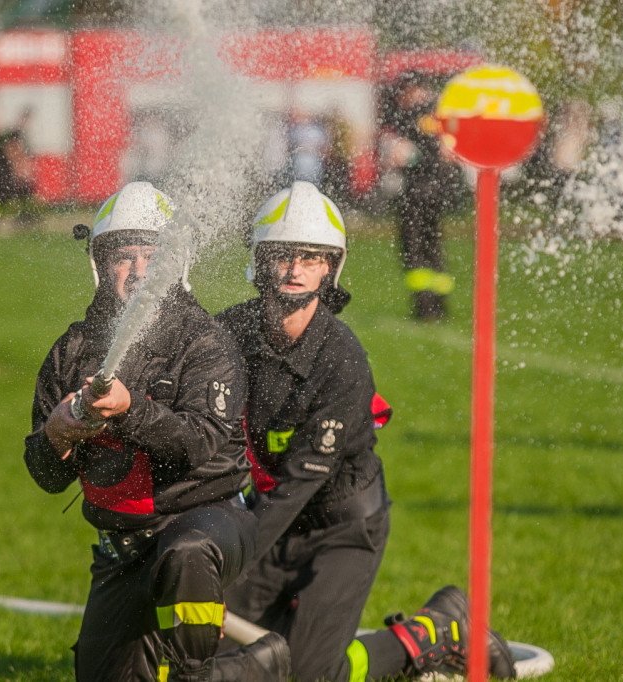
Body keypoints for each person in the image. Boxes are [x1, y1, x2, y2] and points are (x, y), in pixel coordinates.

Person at [216, 181, 516, 681]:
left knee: (313, 674)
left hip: (341, 530)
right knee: (204, 646)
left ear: (330, 268)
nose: (295, 271)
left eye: (311, 258)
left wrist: (226, 555)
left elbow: (296, 486)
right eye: (284, 255)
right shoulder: (227, 332)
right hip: (270, 522)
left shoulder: (343, 360)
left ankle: (434, 632)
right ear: (259, 259)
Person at [22, 181, 291, 682]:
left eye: (153, 256)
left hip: (206, 521)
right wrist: (56, 435)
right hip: (122, 546)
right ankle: (256, 667)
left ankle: (195, 674)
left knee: (185, 555)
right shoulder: (70, 351)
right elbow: (46, 477)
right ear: (101, 265)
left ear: (177, 265)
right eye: (125, 256)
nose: (140, 270)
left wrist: (127, 411)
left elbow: (196, 444)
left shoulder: (205, 343)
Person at [385, 71, 467, 321]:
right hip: (439, 190)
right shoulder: (443, 112)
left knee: (415, 248)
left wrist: (406, 156)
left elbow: (408, 155)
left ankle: (425, 308)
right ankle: (441, 305)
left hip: (417, 190)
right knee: (434, 245)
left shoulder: (413, 115)